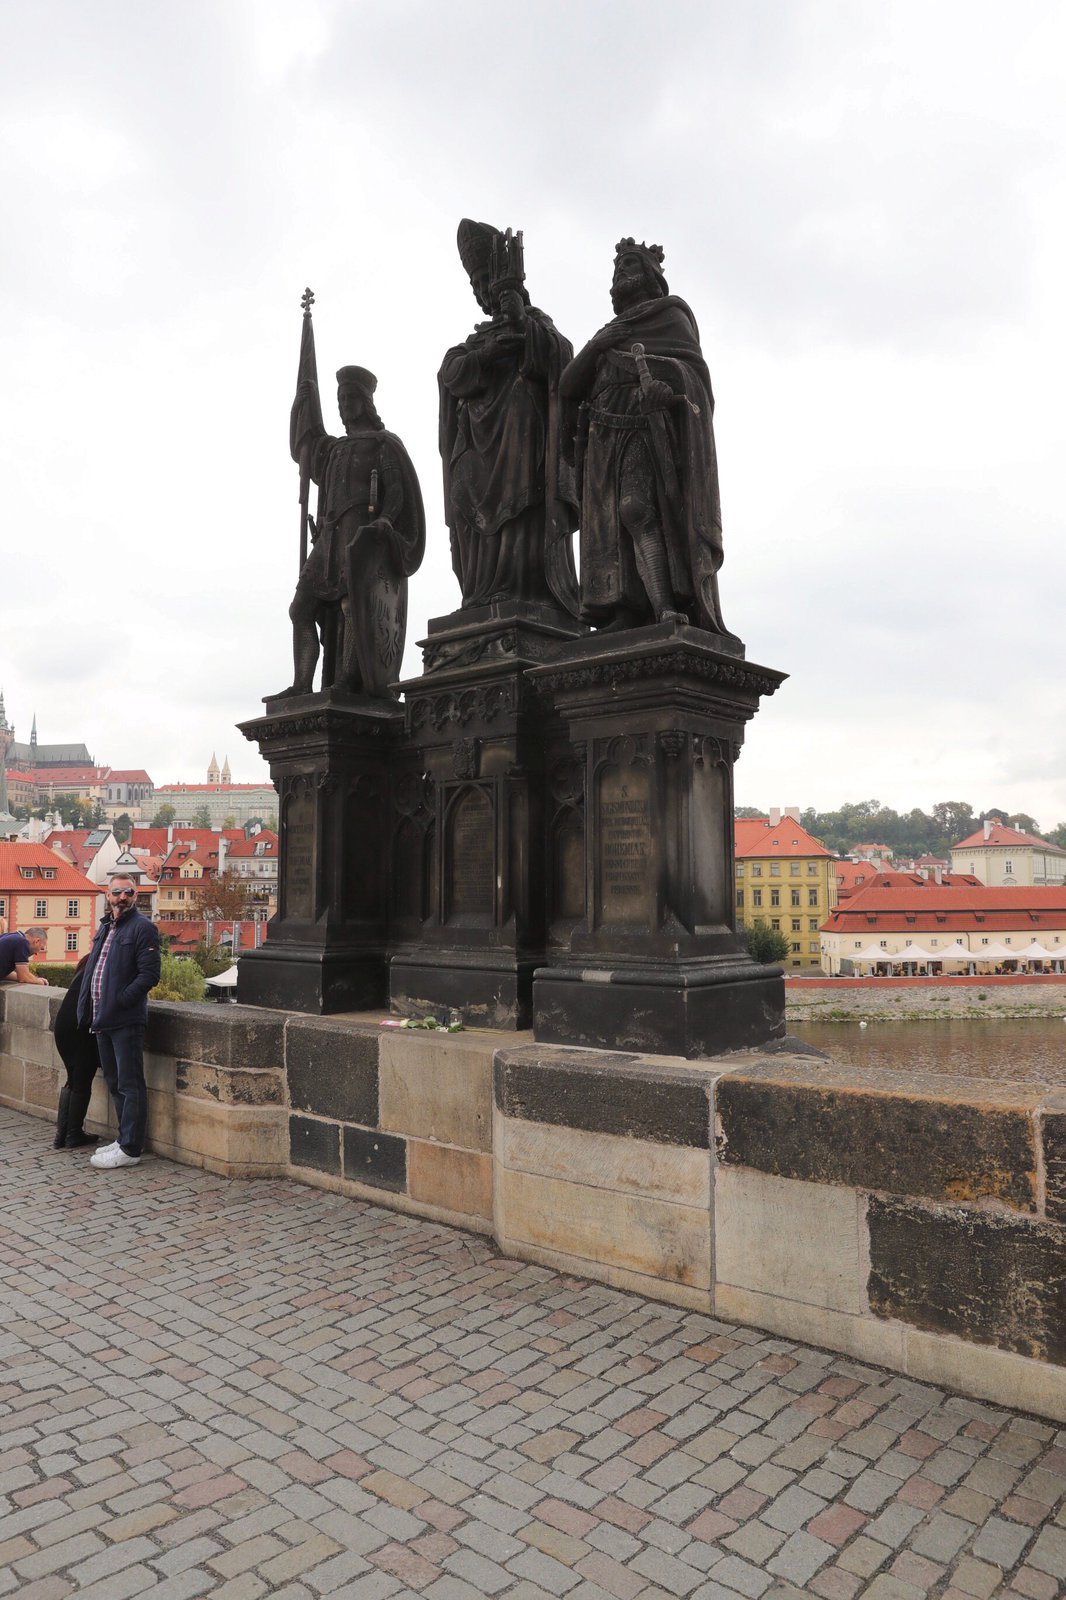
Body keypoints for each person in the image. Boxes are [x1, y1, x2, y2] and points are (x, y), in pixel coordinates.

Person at [560, 238, 734, 638]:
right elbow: (569, 386)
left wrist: (668, 387)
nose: (622, 272)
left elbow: (694, 377)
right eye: (617, 267)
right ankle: (622, 609)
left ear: (653, 277)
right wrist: (596, 345)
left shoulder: (670, 316)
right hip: (602, 435)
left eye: (631, 264)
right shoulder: (609, 332)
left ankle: (665, 605)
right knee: (606, 527)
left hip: (643, 426)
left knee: (636, 509)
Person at [439, 219, 579, 614]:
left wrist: (521, 326)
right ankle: (479, 591)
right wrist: (486, 354)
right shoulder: (474, 341)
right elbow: (451, 373)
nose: (483, 291)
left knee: (518, 485)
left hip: (519, 444)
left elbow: (563, 359)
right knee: (462, 482)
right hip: (477, 447)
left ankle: (519, 587)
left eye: (488, 280)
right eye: (476, 284)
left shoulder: (536, 323)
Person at [278, 365, 425, 698]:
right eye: (340, 399)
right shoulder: (333, 449)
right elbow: (302, 450)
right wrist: (299, 409)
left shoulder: (382, 444)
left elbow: (398, 491)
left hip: (360, 535)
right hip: (329, 538)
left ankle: (347, 678)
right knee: (300, 608)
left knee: (352, 607)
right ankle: (302, 683)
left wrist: (385, 520)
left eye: (349, 398)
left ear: (365, 402)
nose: (343, 404)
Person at [77, 875, 161, 1171]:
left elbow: (149, 975)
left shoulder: (143, 928)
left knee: (129, 1084)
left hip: (125, 1019)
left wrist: (122, 1000)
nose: (122, 896)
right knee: (114, 1082)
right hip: (102, 1017)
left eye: (128, 892)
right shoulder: (106, 926)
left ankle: (130, 1147)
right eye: (117, 892)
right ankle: (123, 1138)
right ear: (107, 894)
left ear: (135, 895)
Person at [51, 956, 101, 1149]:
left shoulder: (87, 963)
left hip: (64, 1026)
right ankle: (73, 1134)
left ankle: (61, 1134)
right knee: (81, 1081)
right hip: (79, 1028)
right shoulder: (103, 965)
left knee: (72, 1078)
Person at [0, 918, 48, 985]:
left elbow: (5, 973)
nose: (36, 953)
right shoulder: (22, 942)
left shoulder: (10, 937)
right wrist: (40, 982)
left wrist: (32, 978)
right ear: (37, 941)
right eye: (41, 948)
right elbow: (24, 978)